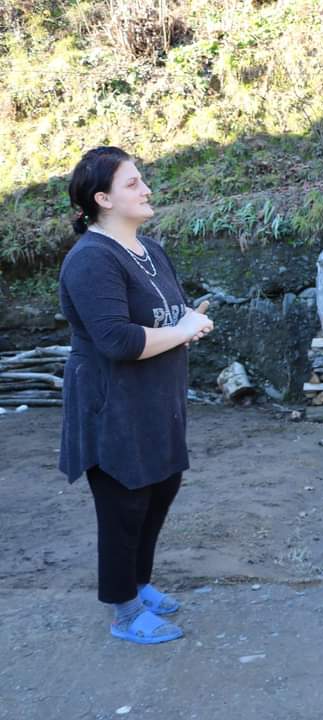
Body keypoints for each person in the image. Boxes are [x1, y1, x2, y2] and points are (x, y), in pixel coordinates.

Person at [60, 147, 214, 644]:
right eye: (132, 183)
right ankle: (123, 610)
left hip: (157, 400)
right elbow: (118, 341)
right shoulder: (92, 260)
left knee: (160, 489)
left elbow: (169, 314)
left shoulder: (150, 250)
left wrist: (188, 323)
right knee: (123, 505)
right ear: (102, 199)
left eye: (141, 180)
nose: (146, 189)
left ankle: (139, 584)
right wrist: (182, 329)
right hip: (112, 405)